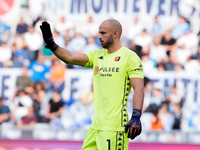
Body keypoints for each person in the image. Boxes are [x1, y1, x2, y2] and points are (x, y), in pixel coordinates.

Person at [40, 19, 144, 150]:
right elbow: (70, 57)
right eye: (98, 32)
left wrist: (136, 116)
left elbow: (139, 87)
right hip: (96, 127)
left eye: (103, 33)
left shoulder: (130, 57)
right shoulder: (97, 55)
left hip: (114, 127)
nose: (99, 36)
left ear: (115, 34)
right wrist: (52, 44)